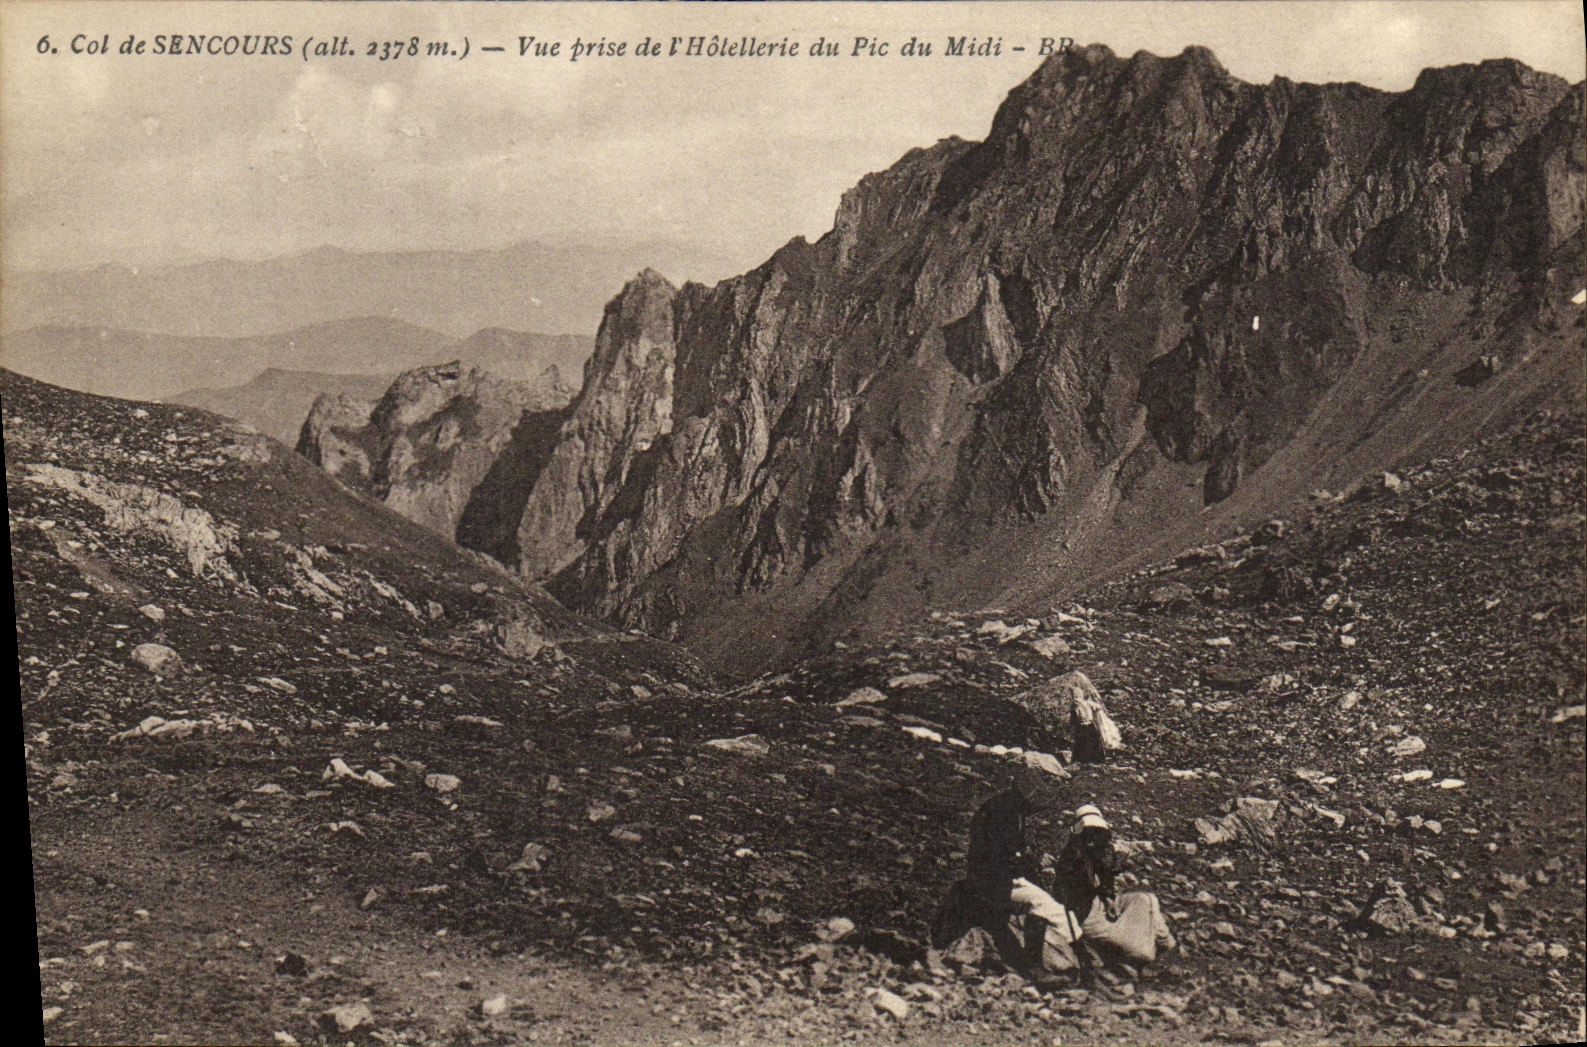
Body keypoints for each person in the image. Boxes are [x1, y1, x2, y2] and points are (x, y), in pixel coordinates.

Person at [930, 785, 1081, 985]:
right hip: (993, 882)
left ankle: (1064, 959)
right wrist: (1031, 862)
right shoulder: (1003, 813)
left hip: (999, 879)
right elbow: (1001, 857)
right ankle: (1041, 966)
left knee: (1045, 903)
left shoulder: (1008, 809)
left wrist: (1029, 861)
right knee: (1046, 907)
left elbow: (1010, 854)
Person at [1050, 803, 1176, 980]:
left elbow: (1106, 877)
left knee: (1146, 898)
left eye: (1097, 832)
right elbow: (1070, 898)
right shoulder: (1072, 857)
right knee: (1141, 951)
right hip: (1086, 916)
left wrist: (1108, 898)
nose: (1094, 837)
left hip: (1100, 904)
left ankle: (1165, 944)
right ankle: (1160, 948)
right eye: (1089, 831)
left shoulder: (1099, 852)